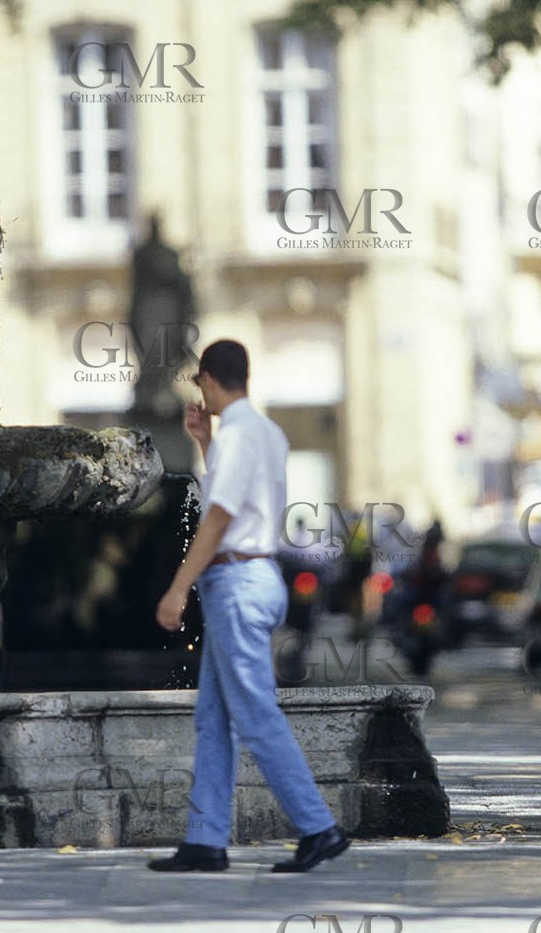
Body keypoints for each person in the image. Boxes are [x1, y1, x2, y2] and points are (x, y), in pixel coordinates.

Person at [150, 339, 349, 874]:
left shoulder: (240, 434)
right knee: (214, 717)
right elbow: (244, 496)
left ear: (210, 379)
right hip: (252, 576)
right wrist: (205, 443)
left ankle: (318, 827)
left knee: (256, 713)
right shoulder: (263, 432)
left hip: (235, 580)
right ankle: (205, 839)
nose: (201, 394)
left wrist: (177, 588)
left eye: (200, 385)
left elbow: (218, 518)